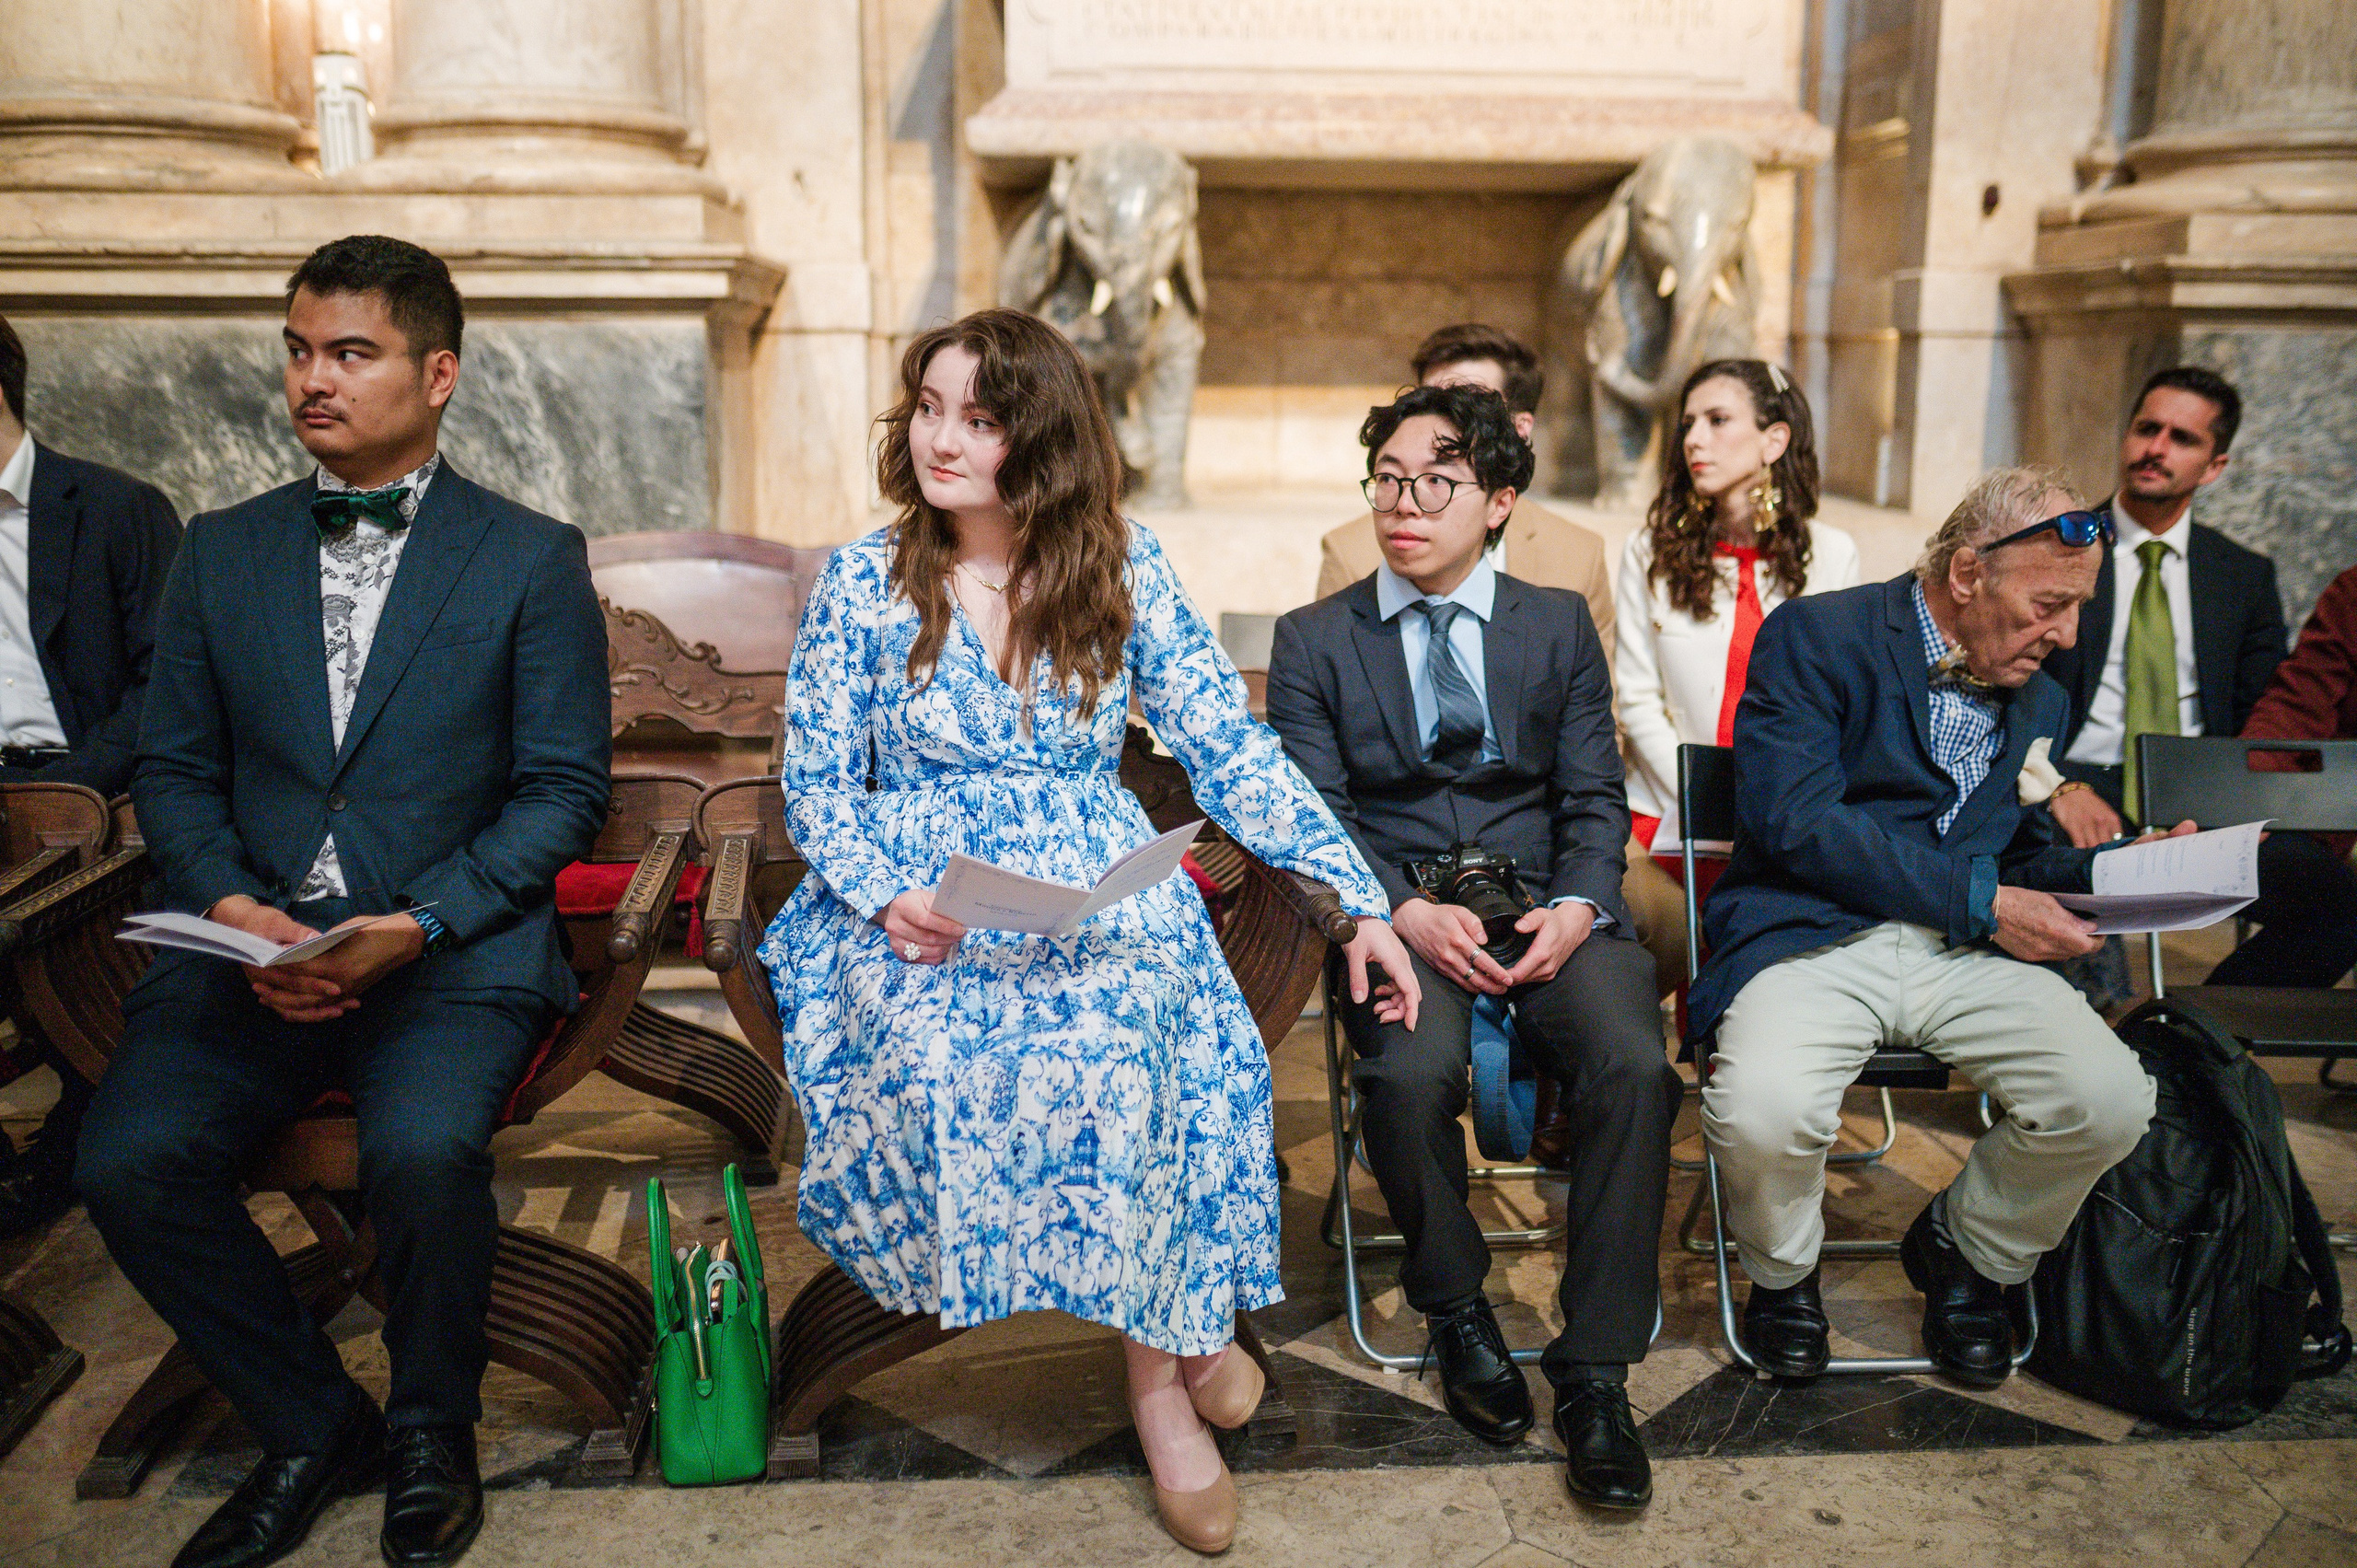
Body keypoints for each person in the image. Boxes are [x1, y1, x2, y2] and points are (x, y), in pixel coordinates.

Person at [755, 308, 1417, 1557]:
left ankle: (1161, 1384)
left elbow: (1228, 746)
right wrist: (881, 888)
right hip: (920, 895)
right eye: (929, 406)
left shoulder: (1122, 562)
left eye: (981, 416)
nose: (941, 437)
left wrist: (1357, 897)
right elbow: (819, 787)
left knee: (1131, 1032)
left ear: (1042, 437)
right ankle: (1196, 1337)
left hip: (1092, 888)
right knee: (955, 1040)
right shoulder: (864, 576)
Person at [75, 236, 610, 1568]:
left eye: (351, 352)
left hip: (450, 951)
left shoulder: (530, 557)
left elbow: (558, 793)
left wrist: (416, 922)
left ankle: (436, 1427)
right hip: (247, 951)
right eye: (300, 349)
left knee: (422, 1153)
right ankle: (313, 1421)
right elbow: (174, 771)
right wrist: (238, 906)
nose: (315, 378)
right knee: (124, 1161)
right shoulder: (221, 550)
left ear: (438, 375)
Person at [1268, 383, 1679, 1511]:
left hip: (1544, 899)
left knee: (1635, 1066)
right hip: (1399, 909)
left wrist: (1583, 904)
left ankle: (1595, 1369)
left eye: (1437, 481)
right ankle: (1455, 1306)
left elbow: (1595, 795)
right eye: (1389, 479)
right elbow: (1313, 814)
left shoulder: (1553, 624)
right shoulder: (1317, 637)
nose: (1406, 504)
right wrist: (1393, 908)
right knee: (1402, 1074)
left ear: (1498, 499)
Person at [1694, 467, 2170, 1388]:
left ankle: (1971, 1251)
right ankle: (1784, 1276)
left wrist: (2135, 868)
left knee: (2110, 1096)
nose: (2067, 633)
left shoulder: (2039, 691)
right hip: (1811, 935)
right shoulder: (1817, 635)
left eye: (2077, 608)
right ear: (1965, 573)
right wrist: (1984, 900)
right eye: (2048, 603)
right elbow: (1799, 823)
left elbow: (2017, 854)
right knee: (1761, 1109)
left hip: (1961, 949)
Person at [0, 313, 183, 1240]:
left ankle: (80, 1127)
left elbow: (170, 687)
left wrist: (74, 785)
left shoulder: (115, 509)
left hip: (90, 795)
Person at [2038, 367, 2299, 995]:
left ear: (2214, 465)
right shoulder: (2058, 548)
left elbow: (2265, 709)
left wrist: (2237, 809)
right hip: (2079, 778)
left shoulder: (2243, 575)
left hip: (2199, 789)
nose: (2156, 447)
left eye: (2182, 438)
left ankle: (2205, 1035)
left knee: (2332, 903)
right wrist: (2056, 786)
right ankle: (2099, 1041)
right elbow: (2006, 693)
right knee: (2051, 856)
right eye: (2146, 428)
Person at [1615, 358, 1857, 991]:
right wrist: (1709, 805)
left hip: (1782, 820)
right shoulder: (1650, 551)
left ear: (1774, 440)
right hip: (1667, 814)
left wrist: (1771, 810)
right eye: (1688, 422)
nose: (1693, 437)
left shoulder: (1833, 555)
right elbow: (1636, 698)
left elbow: (1837, 708)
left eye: (1718, 420)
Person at [2232, 558, 2357, 985]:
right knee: (2335, 911)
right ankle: (2192, 1044)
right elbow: (2302, 701)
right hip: (2341, 812)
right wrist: (2252, 794)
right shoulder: (2353, 591)